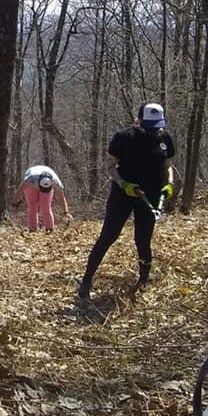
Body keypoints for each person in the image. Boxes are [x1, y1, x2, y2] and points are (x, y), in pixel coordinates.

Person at [77, 102, 175, 302]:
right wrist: (123, 184)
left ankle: (144, 280)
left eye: (157, 127)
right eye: (151, 127)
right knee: (108, 236)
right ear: (140, 121)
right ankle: (86, 281)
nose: (155, 131)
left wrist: (170, 184)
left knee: (143, 239)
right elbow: (110, 166)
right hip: (123, 194)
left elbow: (168, 166)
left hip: (151, 196)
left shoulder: (164, 138)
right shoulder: (124, 138)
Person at [11, 165, 71, 231]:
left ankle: (49, 230)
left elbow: (61, 198)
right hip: (32, 186)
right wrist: (14, 203)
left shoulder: (55, 182)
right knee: (32, 206)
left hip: (45, 176)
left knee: (46, 208)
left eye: (46, 190)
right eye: (43, 189)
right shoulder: (30, 179)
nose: (43, 191)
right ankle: (33, 229)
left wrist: (66, 212)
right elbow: (20, 191)